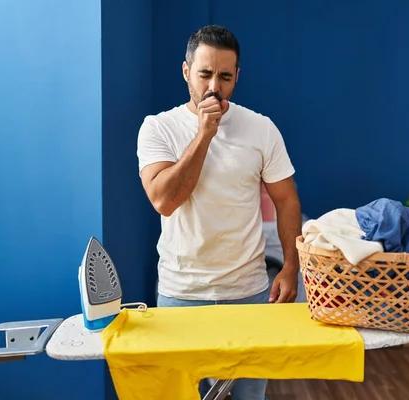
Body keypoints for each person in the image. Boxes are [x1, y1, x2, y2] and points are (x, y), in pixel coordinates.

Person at [136, 24, 302, 400]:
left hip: (248, 293)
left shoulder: (261, 128)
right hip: (181, 293)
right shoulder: (157, 129)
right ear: (186, 72)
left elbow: (287, 201)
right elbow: (164, 199)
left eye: (225, 76)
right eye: (205, 73)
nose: (215, 86)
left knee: (248, 397)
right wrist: (204, 134)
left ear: (237, 76)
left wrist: (291, 267)